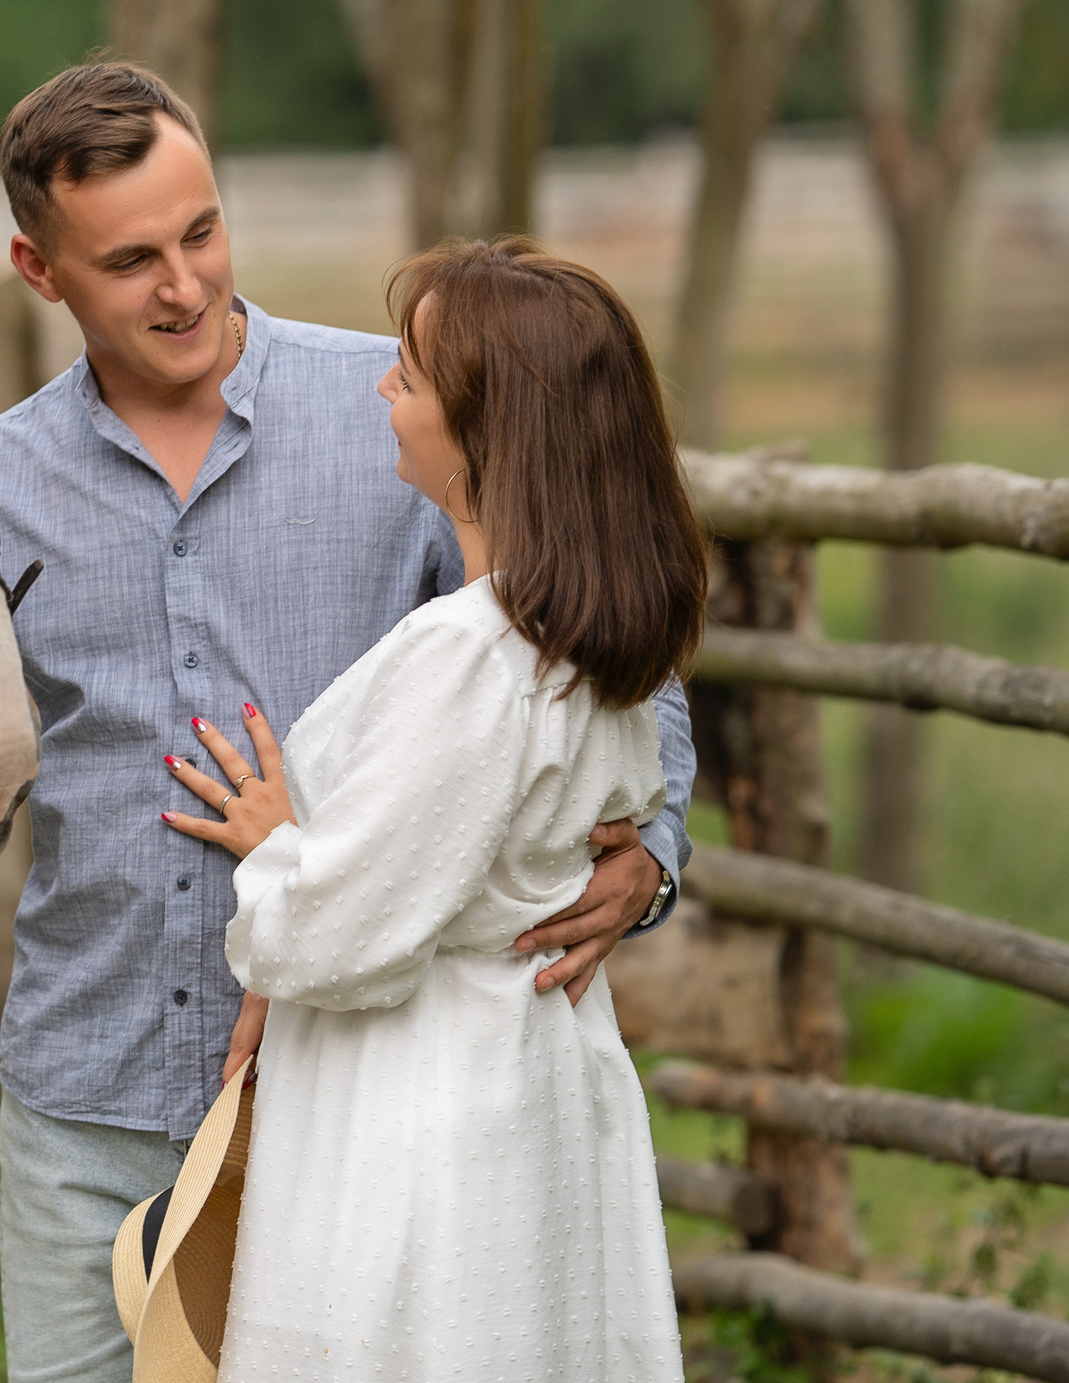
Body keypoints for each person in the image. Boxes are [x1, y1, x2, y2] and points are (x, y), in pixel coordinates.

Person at [0, 63, 697, 1383]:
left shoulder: (404, 412)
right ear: (39, 266)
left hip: (343, 1088)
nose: (184, 285)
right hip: (88, 1088)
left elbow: (598, 642)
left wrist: (652, 850)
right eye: (130, 259)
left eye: (201, 232)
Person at [163, 237, 698, 1380]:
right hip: (529, 1082)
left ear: (484, 425)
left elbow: (342, 935)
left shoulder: (470, 655)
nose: (382, 392)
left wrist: (273, 853)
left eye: (407, 376)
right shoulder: (594, 649)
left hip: (426, 1111)